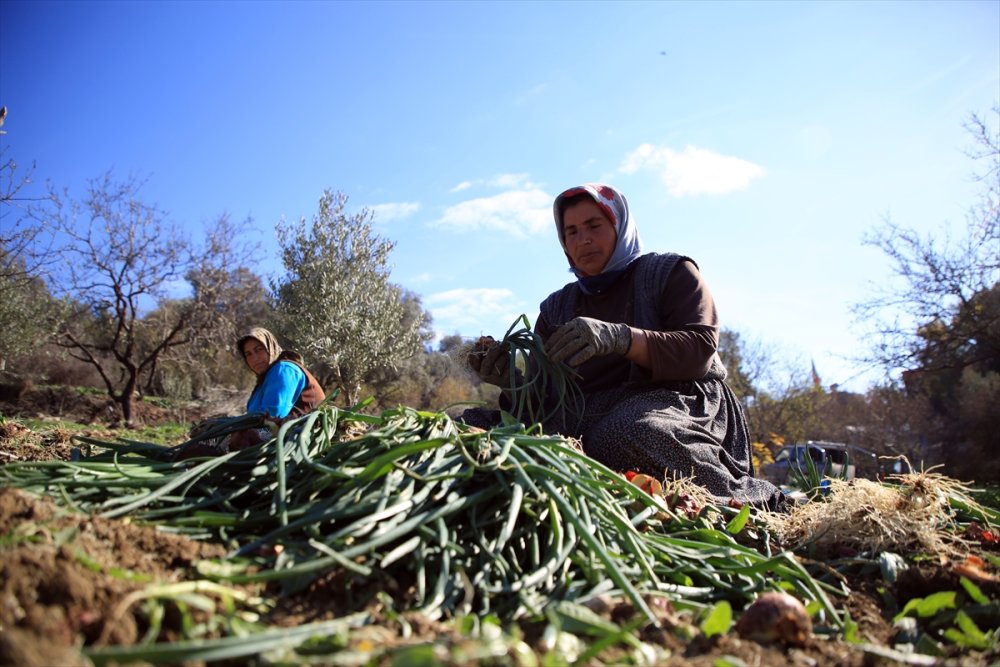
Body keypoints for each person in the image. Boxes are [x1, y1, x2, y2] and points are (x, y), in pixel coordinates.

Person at [467, 183, 784, 510]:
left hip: (679, 402)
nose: (583, 239)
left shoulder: (671, 273)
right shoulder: (555, 310)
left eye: (594, 226)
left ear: (620, 226)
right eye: (571, 232)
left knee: (624, 434)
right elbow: (545, 402)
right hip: (589, 412)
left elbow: (699, 350)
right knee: (473, 426)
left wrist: (621, 338)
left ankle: (754, 500)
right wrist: (513, 383)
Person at [176, 327, 325, 459]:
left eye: (259, 350)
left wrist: (225, 424)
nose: (254, 358)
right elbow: (254, 417)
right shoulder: (264, 380)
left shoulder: (284, 369)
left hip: (297, 436)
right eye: (248, 354)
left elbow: (273, 414)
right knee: (204, 438)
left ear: (270, 347)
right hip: (272, 432)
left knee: (217, 440)